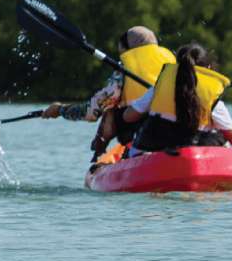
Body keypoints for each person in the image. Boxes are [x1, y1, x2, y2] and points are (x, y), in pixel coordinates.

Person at [40, 26, 175, 162]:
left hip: (143, 135)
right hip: (178, 132)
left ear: (126, 48)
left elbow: (91, 111)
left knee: (109, 111)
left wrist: (60, 110)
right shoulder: (175, 62)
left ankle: (103, 153)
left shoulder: (124, 70)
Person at [122, 42, 232, 156]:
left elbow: (128, 117)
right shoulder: (213, 97)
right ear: (209, 68)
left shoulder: (159, 87)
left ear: (177, 66)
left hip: (152, 148)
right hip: (194, 152)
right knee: (221, 135)